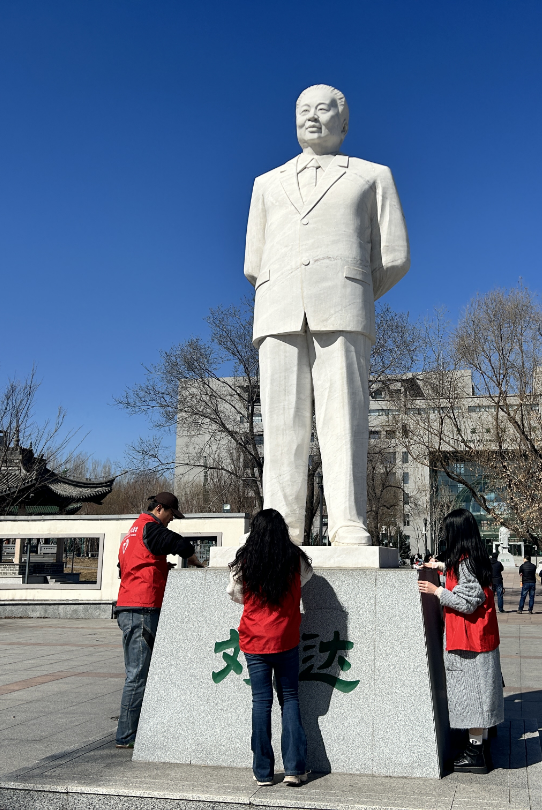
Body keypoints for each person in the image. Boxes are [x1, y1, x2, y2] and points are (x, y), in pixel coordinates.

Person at [244, 85, 410, 546]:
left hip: (344, 305)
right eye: (303, 110)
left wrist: (353, 291)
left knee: (344, 421)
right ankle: (281, 525)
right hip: (277, 308)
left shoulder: (372, 176)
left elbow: (395, 256)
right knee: (281, 425)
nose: (312, 117)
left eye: (323, 109)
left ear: (344, 121)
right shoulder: (266, 183)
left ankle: (347, 521)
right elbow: (253, 262)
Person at [227, 509, 314, 787]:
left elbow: (235, 594)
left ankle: (263, 771)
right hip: (285, 637)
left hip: (254, 639)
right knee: (290, 699)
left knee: (261, 703)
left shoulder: (245, 559)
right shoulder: (295, 558)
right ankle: (294, 768)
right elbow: (307, 578)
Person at [114, 492, 204, 749]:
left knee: (138, 673)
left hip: (129, 605)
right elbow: (178, 543)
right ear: (160, 509)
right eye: (171, 515)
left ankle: (134, 729)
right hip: (142, 608)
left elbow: (126, 568)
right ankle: (126, 736)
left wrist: (161, 568)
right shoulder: (150, 527)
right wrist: (194, 560)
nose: (171, 520)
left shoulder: (132, 533)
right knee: (137, 675)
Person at [417, 509, 504, 774]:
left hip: (469, 643)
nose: (445, 535)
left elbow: (467, 602)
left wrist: (437, 591)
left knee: (473, 698)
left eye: (447, 530)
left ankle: (475, 753)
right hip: (479, 639)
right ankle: (480, 748)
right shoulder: (473, 558)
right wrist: (441, 567)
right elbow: (467, 580)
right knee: (479, 696)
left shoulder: (466, 563)